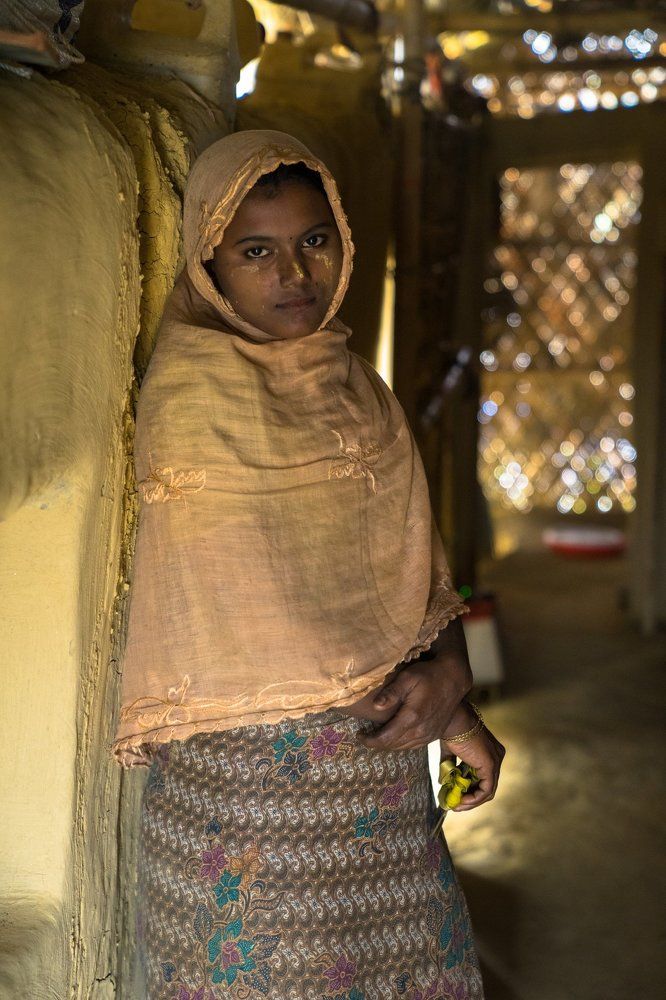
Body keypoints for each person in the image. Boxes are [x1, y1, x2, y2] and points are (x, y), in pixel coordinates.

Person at [112, 129, 504, 1000]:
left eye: (314, 241)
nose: (295, 274)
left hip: (380, 801)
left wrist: (454, 694)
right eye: (257, 252)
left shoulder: (359, 389)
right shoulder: (191, 401)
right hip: (246, 816)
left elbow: (414, 578)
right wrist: (431, 700)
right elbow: (251, 603)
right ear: (210, 264)